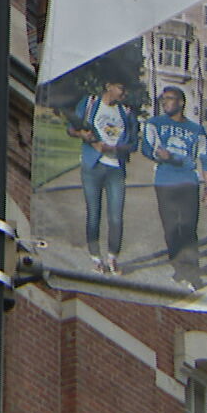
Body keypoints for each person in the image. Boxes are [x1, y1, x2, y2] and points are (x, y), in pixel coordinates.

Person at [141, 86, 207, 288]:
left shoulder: (196, 129)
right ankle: (179, 266)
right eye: (163, 99)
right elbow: (145, 148)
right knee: (171, 229)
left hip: (188, 182)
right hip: (164, 181)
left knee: (188, 229)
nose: (164, 103)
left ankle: (193, 275)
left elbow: (205, 157)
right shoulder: (155, 123)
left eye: (169, 99)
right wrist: (158, 155)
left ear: (181, 102)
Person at [68, 78, 136, 274]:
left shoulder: (127, 112)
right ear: (109, 86)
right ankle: (96, 257)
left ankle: (113, 257)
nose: (124, 94)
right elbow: (71, 129)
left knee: (116, 216)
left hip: (116, 168)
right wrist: (84, 136)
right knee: (94, 214)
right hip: (93, 166)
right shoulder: (89, 103)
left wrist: (113, 148)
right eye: (121, 87)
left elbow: (133, 144)